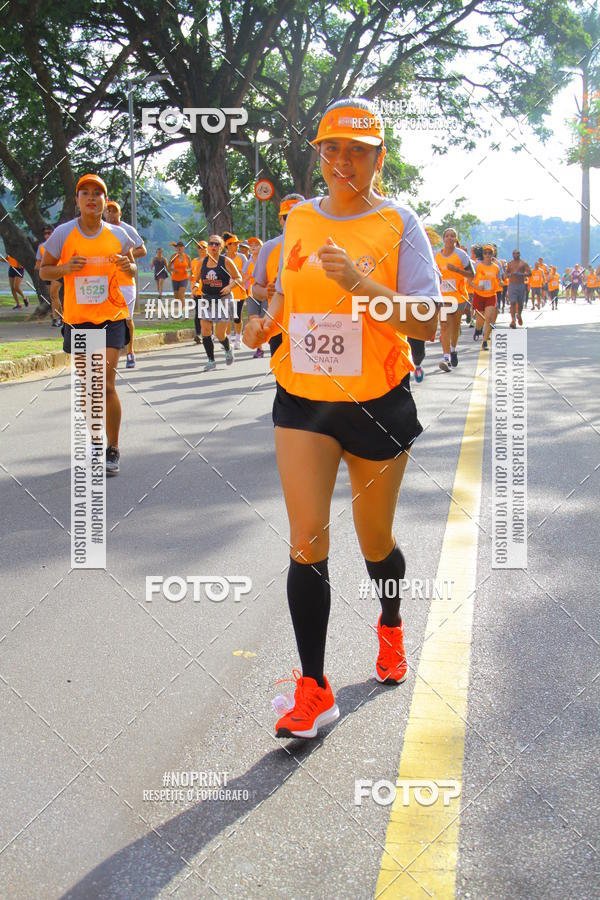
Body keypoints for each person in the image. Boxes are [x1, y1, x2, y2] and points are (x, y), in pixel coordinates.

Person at [243, 97, 441, 740]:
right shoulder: (299, 218)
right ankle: (314, 689)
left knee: (374, 540)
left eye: (358, 150)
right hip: (303, 399)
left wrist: (362, 285)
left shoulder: (399, 223)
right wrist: (261, 321)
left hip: (376, 405)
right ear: (319, 155)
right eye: (332, 149)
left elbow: (428, 320)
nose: (344, 161)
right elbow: (280, 293)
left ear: (379, 157)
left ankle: (391, 624)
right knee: (306, 538)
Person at [39, 173, 137, 476]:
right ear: (78, 200)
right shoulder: (63, 233)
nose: (92, 198)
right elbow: (44, 271)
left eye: (97, 193)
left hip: (112, 317)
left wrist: (129, 266)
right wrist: (66, 268)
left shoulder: (119, 235)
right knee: (89, 386)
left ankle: (112, 447)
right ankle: (95, 442)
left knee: (105, 385)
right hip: (78, 319)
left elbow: (132, 270)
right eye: (86, 193)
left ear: (105, 201)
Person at [250, 194, 305, 359]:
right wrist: (267, 291)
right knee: (280, 375)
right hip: (278, 325)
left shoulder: (320, 244)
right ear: (280, 220)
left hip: (310, 324)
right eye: (287, 217)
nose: (292, 221)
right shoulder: (269, 248)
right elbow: (255, 289)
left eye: (298, 215)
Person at [104, 200, 146, 369]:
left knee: (127, 319)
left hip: (126, 282)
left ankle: (130, 352)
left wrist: (125, 255)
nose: (111, 214)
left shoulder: (127, 230)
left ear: (120, 213)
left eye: (114, 211)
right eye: (108, 211)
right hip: (106, 282)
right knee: (106, 319)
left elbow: (142, 250)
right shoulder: (100, 230)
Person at [197, 234, 242, 371]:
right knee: (205, 330)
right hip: (207, 299)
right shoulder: (202, 262)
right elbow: (195, 278)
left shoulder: (226, 261)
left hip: (223, 299)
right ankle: (211, 360)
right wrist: (194, 286)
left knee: (219, 334)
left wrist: (229, 287)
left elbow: (238, 278)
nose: (213, 246)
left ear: (221, 247)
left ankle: (228, 349)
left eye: (217, 244)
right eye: (211, 243)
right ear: (208, 246)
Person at [435, 227, 474, 371]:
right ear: (443, 239)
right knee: (444, 326)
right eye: (447, 236)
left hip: (459, 297)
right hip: (443, 297)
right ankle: (446, 358)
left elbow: (472, 275)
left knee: (455, 327)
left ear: (456, 239)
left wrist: (457, 270)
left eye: (453, 236)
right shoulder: (437, 257)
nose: (450, 238)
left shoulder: (461, 255)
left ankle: (453, 349)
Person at [467, 244, 500, 350]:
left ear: (493, 254)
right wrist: (477, 287)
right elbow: (469, 280)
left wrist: (500, 283)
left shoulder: (496, 267)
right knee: (480, 319)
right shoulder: (477, 266)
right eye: (485, 253)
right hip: (479, 295)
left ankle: (485, 341)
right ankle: (478, 329)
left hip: (491, 295)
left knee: (489, 318)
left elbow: (499, 280)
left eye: (489, 253)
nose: (487, 255)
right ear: (482, 254)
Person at [222, 232, 248, 349]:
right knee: (226, 317)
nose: (237, 246)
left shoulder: (241, 257)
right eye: (235, 244)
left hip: (239, 291)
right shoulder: (223, 258)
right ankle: (227, 340)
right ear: (228, 245)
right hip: (226, 292)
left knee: (237, 317)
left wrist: (240, 280)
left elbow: (245, 274)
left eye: (238, 244)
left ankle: (238, 338)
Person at [35, 225, 62, 325]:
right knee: (53, 296)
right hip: (47, 273)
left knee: (54, 293)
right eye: (45, 233)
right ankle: (60, 316)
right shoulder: (41, 246)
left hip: (58, 272)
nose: (47, 235)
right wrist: (39, 267)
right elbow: (38, 262)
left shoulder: (59, 244)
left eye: (49, 233)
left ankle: (56, 318)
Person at [504, 250, 530, 328]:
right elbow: (506, 274)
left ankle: (519, 314)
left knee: (520, 303)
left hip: (521, 285)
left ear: (519, 254)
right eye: (514, 253)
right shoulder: (510, 264)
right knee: (512, 302)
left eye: (517, 253)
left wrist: (521, 274)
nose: (516, 255)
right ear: (512, 254)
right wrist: (509, 275)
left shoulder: (523, 263)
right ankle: (513, 320)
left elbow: (530, 273)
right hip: (512, 285)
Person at [191, 240, 208, 343]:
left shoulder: (210, 260)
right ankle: (198, 334)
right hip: (197, 291)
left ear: (207, 249)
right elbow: (192, 278)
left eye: (203, 247)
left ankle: (209, 334)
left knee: (208, 313)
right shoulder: (194, 261)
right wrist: (192, 290)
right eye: (199, 248)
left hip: (208, 291)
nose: (201, 249)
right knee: (198, 313)